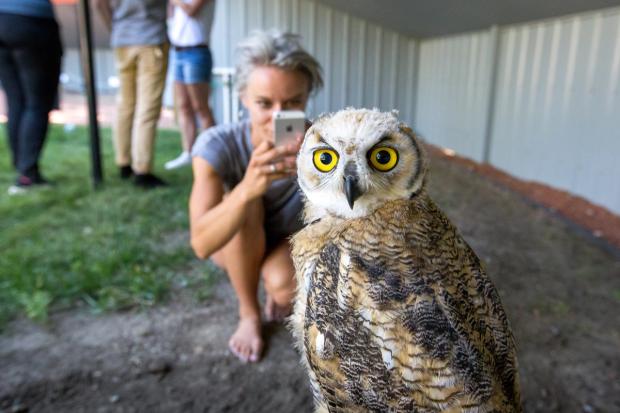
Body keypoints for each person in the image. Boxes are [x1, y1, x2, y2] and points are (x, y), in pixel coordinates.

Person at [189, 30, 323, 363]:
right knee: (243, 202)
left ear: (307, 98)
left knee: (282, 286)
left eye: (293, 102)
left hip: (286, 241)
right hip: (234, 242)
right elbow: (201, 244)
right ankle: (249, 313)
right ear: (244, 98)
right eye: (264, 103)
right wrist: (249, 186)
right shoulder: (217, 146)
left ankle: (269, 280)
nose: (279, 116)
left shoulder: (324, 143)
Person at [95, 0, 169, 188]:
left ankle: (124, 162)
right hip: (149, 38)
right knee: (147, 108)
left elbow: (98, 4)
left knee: (125, 105)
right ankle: (142, 171)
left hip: (122, 38)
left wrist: (115, 28)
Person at [0, 0, 62, 195]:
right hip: (33, 22)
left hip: (2, 19)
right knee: (37, 103)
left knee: (16, 101)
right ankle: (27, 174)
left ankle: (22, 167)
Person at [164, 0, 216, 170]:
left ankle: (214, 153)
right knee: (183, 106)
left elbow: (191, 10)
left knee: (200, 107)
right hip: (177, 51)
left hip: (196, 52)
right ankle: (188, 152)